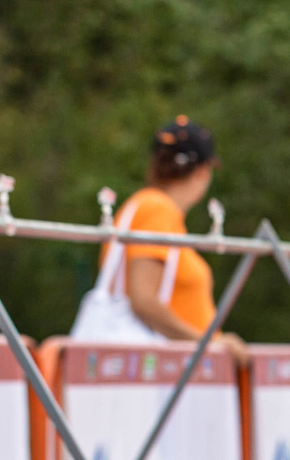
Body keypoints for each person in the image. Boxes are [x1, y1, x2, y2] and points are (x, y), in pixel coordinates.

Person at [74, 117, 233, 347]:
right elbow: (143, 300)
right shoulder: (157, 210)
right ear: (202, 171)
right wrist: (208, 346)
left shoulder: (145, 206)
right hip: (160, 360)